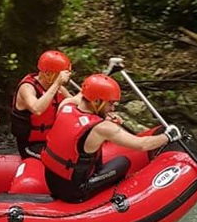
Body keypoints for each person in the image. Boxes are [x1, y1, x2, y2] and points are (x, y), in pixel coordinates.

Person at [41, 74, 181, 203]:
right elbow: (142, 145)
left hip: (52, 182)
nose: (113, 108)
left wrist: (103, 114)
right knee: (123, 162)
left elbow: (85, 95)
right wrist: (168, 136)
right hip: (75, 191)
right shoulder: (103, 128)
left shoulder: (66, 105)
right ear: (96, 101)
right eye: (110, 103)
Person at [11, 50, 75, 159]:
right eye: (60, 75)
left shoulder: (57, 87)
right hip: (30, 145)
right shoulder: (27, 88)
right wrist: (57, 83)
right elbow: (37, 109)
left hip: (50, 140)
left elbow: (75, 103)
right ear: (48, 73)